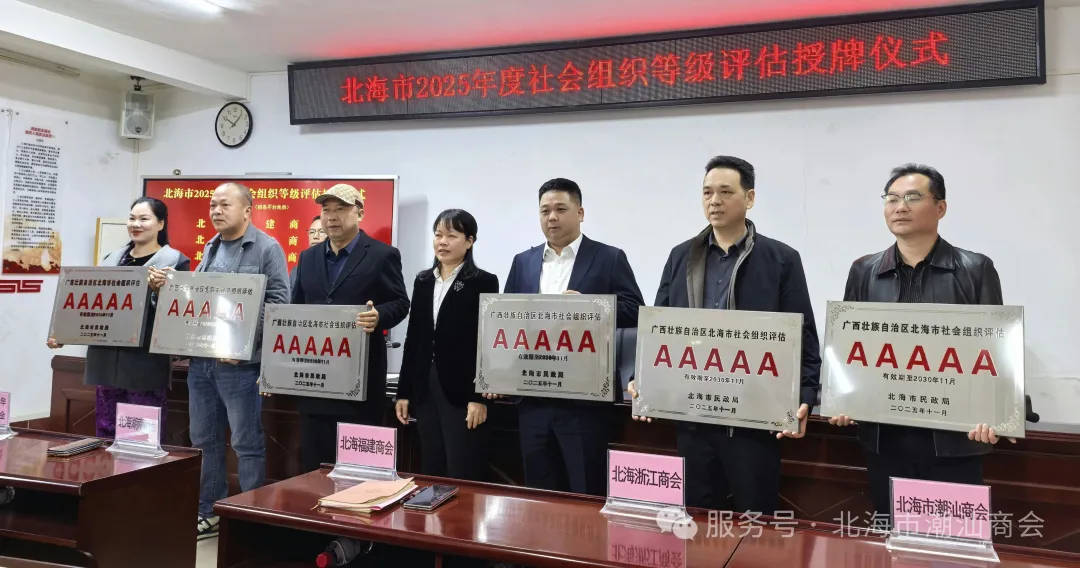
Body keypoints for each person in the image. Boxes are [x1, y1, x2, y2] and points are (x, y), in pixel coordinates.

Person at [630, 155, 821, 515]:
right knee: (697, 520)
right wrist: (642, 377)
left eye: (725, 192)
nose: (714, 201)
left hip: (754, 420)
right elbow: (658, 329)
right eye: (707, 192)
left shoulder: (781, 258)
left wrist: (806, 396)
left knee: (756, 521)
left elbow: (804, 334)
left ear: (750, 198)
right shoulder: (681, 256)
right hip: (693, 416)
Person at [829, 163, 1011, 519]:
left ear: (940, 207)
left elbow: (994, 352)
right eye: (892, 199)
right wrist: (842, 397)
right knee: (893, 534)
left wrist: (995, 415)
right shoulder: (863, 271)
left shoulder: (975, 269)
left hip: (954, 441)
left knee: (954, 539)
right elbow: (850, 348)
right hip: (885, 439)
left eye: (913, 197)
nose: (900, 207)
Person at [497, 178, 644, 496]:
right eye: (545, 211)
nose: (552, 217)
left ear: (580, 213)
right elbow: (506, 318)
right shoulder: (523, 261)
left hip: (583, 400)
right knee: (539, 494)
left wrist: (591, 307)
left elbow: (635, 310)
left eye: (561, 209)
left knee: (584, 491)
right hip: (532, 395)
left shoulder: (608, 257)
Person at [189, 182, 290, 540]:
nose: (216, 211)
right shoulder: (211, 246)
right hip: (203, 363)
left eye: (224, 205)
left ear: (247, 210)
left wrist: (244, 341)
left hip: (241, 367)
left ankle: (250, 517)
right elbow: (200, 298)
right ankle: (209, 511)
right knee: (204, 440)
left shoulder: (267, 248)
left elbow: (278, 302)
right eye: (212, 205)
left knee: (246, 443)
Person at [46, 197, 190, 438]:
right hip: (104, 359)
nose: (136, 224)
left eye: (144, 219)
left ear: (160, 224)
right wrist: (63, 333)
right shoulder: (111, 259)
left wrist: (160, 291)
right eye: (132, 218)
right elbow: (90, 305)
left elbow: (179, 313)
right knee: (106, 431)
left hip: (144, 362)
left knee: (142, 436)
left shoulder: (174, 262)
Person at [291, 183, 410, 473]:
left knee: (360, 471)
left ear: (360, 213)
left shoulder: (382, 254)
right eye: (326, 210)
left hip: (361, 385)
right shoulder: (308, 258)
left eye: (341, 209)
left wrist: (379, 316)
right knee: (315, 471)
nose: (332, 216)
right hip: (315, 382)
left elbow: (400, 303)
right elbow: (294, 312)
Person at [395, 209, 499, 481]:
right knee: (432, 465)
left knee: (462, 467)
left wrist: (478, 396)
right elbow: (413, 339)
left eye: (451, 236)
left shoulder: (483, 281)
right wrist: (404, 392)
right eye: (438, 235)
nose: (442, 242)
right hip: (425, 385)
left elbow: (487, 342)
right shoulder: (423, 280)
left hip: (461, 388)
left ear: (470, 241)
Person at [290, 215, 326, 291]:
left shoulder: (338, 266)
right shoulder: (297, 270)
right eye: (312, 232)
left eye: (321, 232)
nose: (315, 236)